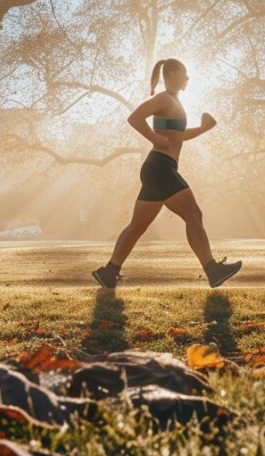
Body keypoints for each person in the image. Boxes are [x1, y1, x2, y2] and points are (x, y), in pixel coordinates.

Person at [92, 58, 242, 289]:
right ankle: (212, 270)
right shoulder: (163, 98)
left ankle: (109, 272)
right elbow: (134, 118)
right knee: (194, 215)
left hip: (158, 169)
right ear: (171, 75)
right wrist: (155, 139)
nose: (188, 78)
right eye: (184, 74)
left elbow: (177, 135)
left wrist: (202, 129)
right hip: (160, 167)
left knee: (137, 226)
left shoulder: (173, 101)